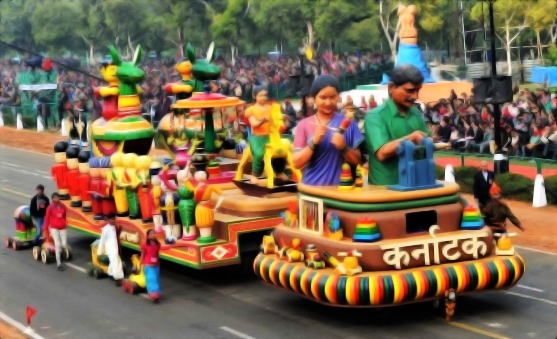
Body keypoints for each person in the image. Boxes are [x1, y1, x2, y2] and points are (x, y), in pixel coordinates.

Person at [364, 64, 429, 185]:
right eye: (409, 90)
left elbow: (425, 140)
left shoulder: (415, 112)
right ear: (391, 87)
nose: (415, 96)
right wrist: (411, 138)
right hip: (385, 189)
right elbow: (382, 153)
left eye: (417, 90)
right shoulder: (375, 116)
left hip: (415, 183)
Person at [293, 75, 363, 186]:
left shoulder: (349, 123)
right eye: (323, 97)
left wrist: (344, 148)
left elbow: (358, 161)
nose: (328, 102)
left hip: (342, 190)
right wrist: (314, 142)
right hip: (312, 189)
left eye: (333, 97)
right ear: (314, 98)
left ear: (338, 97)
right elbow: (296, 163)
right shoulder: (304, 125)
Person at [44, 193, 68, 271]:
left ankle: (61, 251)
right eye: (54, 197)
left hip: (62, 227)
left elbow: (64, 216)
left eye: (57, 197)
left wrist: (65, 223)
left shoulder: (63, 206)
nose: (56, 198)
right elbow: (47, 219)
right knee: (58, 244)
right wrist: (46, 230)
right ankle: (59, 263)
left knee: (64, 244)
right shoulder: (50, 208)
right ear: (52, 199)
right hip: (54, 228)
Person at [97, 215, 124, 283]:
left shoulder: (115, 227)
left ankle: (111, 273)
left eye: (114, 219)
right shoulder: (106, 229)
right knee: (116, 263)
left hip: (116, 248)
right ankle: (118, 278)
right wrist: (99, 252)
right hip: (110, 249)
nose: (113, 221)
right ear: (108, 220)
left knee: (114, 262)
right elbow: (102, 240)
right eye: (111, 219)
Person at [140, 229, 162, 302]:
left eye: (154, 233)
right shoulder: (144, 245)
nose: (153, 235)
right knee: (151, 278)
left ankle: (157, 293)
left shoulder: (157, 244)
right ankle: (153, 293)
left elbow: (157, 253)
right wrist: (140, 263)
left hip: (156, 264)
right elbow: (143, 254)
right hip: (148, 264)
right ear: (148, 236)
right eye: (151, 233)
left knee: (156, 278)